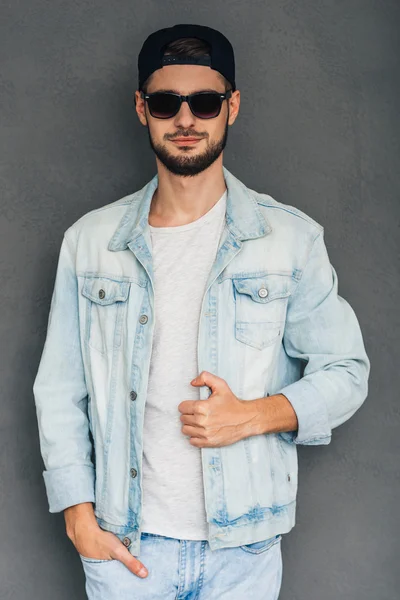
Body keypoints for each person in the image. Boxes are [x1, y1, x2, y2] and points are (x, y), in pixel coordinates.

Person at [32, 23, 370, 600]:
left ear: (231, 107)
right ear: (142, 109)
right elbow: (59, 389)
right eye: (166, 103)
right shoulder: (90, 244)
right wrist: (76, 513)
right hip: (126, 549)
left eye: (205, 102)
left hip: (244, 552)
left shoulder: (288, 239)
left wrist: (255, 415)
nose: (186, 120)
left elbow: (347, 373)